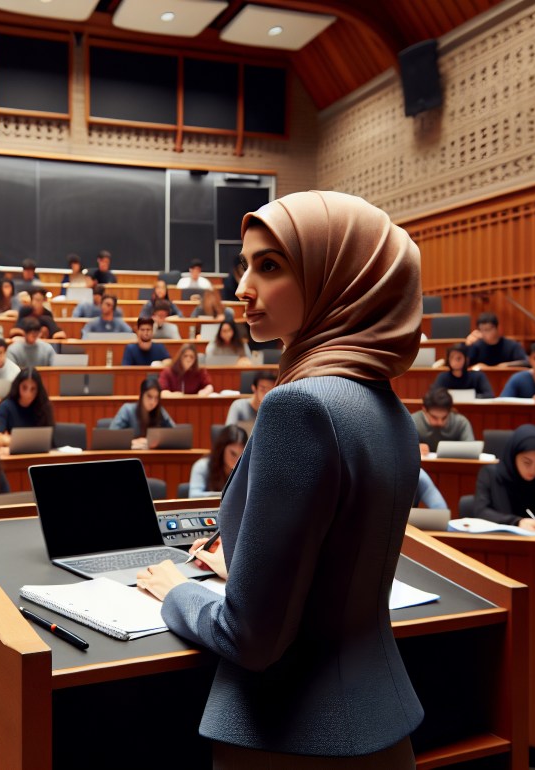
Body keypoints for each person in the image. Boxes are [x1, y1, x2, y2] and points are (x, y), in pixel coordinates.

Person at [137, 191, 424, 768]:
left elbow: (254, 639)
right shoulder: (387, 408)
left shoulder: (300, 407)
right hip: (383, 727)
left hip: (293, 737)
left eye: (268, 266)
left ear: (337, 277)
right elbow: (339, 562)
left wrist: (178, 592)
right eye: (245, 266)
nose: (243, 288)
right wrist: (246, 566)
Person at [474, 424, 535, 530]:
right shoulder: (490, 474)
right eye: (527, 462)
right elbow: (481, 511)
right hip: (498, 541)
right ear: (513, 456)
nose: (533, 470)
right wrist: (516, 522)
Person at [0, 368, 54, 449]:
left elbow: (48, 439)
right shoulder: (6, 406)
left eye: (33, 389)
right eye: (24, 387)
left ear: (38, 390)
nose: (28, 394)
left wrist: (10, 440)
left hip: (38, 455)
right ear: (18, 386)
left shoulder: (43, 406)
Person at [110, 379, 175, 448]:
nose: (152, 402)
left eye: (156, 398)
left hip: (154, 455)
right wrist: (132, 441)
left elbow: (174, 434)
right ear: (141, 395)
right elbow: (111, 436)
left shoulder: (160, 411)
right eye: (149, 397)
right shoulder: (127, 410)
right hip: (130, 455)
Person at [188, 424, 248, 498]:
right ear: (221, 450)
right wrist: (226, 496)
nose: (237, 459)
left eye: (241, 455)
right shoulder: (201, 466)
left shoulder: (247, 469)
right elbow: (194, 496)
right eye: (233, 453)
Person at [411, 386, 475, 455]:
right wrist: (414, 449)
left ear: (450, 411)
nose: (440, 422)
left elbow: (471, 450)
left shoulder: (461, 422)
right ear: (424, 410)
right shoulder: (412, 422)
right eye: (434, 417)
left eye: (444, 417)